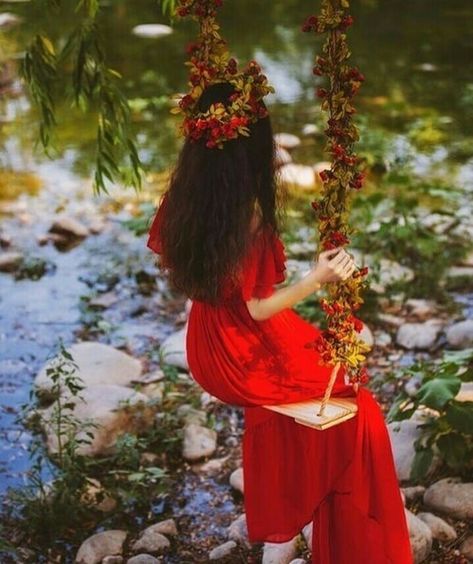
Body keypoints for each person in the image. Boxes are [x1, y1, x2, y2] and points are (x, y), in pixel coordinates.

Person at [146, 80, 413, 563]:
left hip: (205, 341)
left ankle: (282, 531)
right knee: (356, 407)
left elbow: (178, 269)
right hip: (240, 351)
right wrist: (321, 275)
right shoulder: (247, 215)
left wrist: (220, 294)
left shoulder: (185, 195)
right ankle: (318, 523)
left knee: (315, 379)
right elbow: (257, 309)